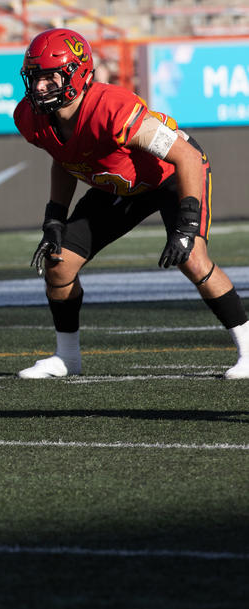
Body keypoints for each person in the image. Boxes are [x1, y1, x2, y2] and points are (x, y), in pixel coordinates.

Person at [14, 28, 249, 380]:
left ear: (78, 74)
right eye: (35, 78)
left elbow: (185, 156)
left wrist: (186, 225)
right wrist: (54, 218)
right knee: (58, 265)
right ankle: (67, 357)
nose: (40, 88)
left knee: (192, 258)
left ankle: (247, 346)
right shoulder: (31, 118)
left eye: (50, 77)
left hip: (170, 175)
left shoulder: (112, 107)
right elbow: (62, 159)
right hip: (118, 185)